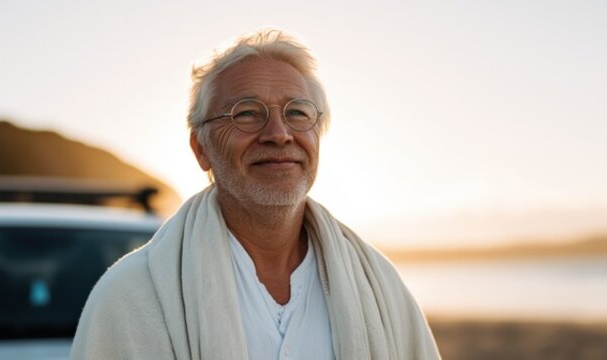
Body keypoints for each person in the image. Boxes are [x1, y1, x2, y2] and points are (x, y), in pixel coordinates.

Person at [71, 29, 440, 360]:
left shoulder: (380, 286)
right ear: (201, 149)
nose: (278, 133)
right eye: (246, 113)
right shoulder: (129, 296)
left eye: (297, 112)